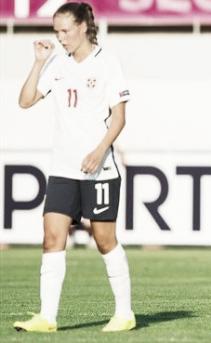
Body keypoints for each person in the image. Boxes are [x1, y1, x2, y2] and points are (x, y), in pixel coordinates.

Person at [13, 2, 135, 332]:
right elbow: (24, 101)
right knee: (52, 237)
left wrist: (99, 151)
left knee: (104, 240)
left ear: (83, 26)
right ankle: (47, 318)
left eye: (65, 30)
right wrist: (38, 63)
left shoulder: (108, 63)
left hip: (98, 168)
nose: (60, 37)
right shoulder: (55, 64)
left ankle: (124, 313)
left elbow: (119, 118)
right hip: (63, 168)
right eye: (56, 31)